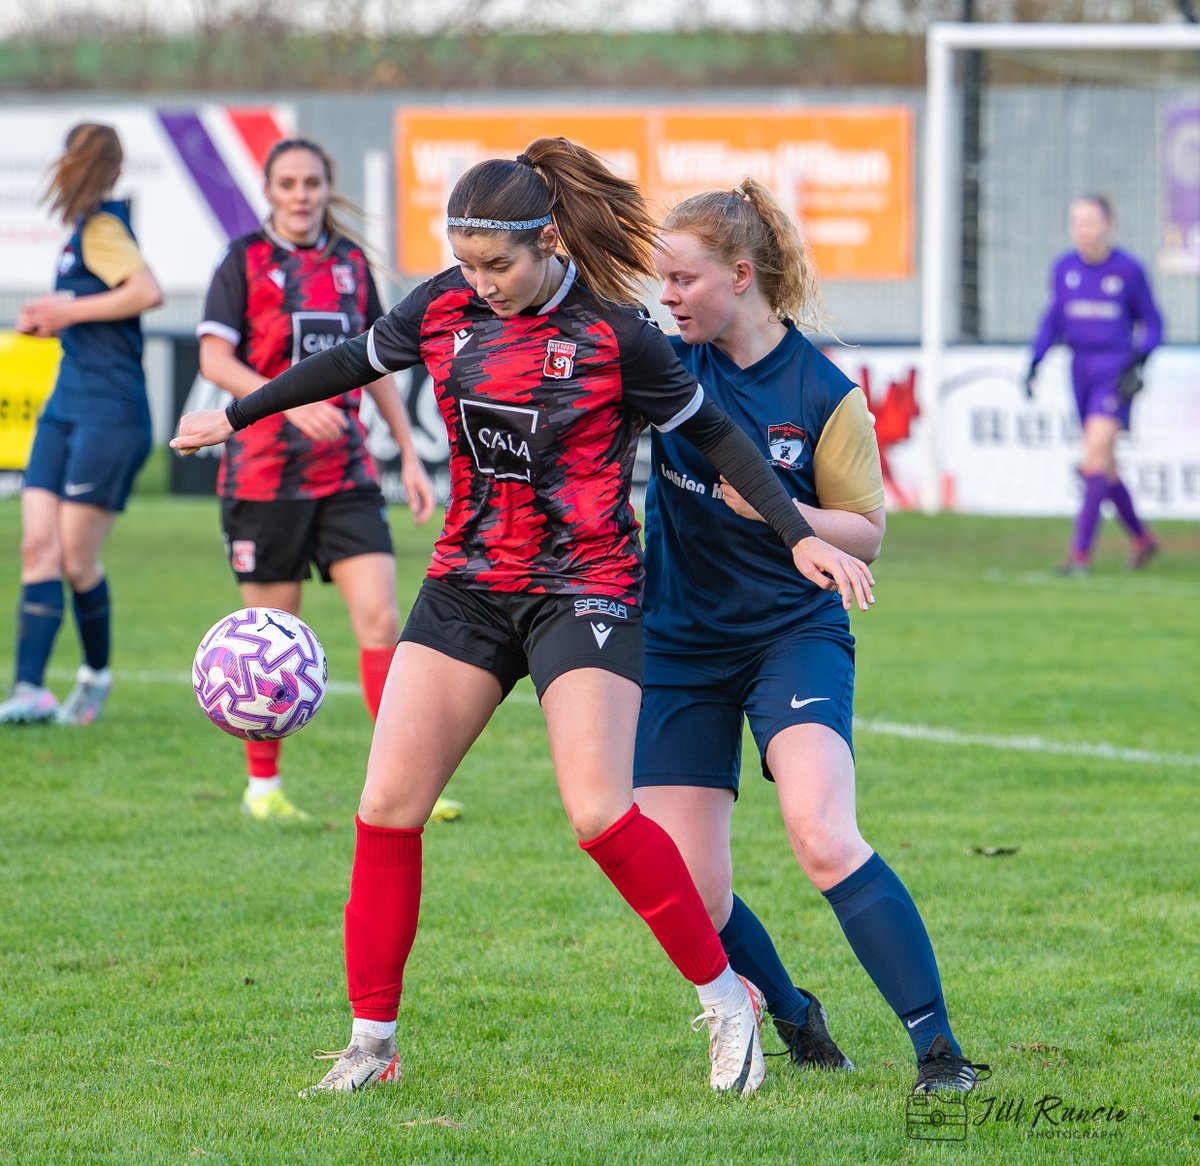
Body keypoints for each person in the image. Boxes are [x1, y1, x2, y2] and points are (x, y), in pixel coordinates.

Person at [172, 137, 875, 1097]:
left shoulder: (618, 334)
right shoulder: (442, 307)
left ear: (547, 242)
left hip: (583, 586)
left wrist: (797, 532)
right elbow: (350, 358)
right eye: (465, 263)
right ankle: (372, 1047)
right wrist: (245, 409)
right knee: (385, 806)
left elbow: (716, 436)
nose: (479, 282)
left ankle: (725, 1005)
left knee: (597, 813)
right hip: (467, 583)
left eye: (495, 264)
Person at [634, 179, 988, 1095]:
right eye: (659, 281)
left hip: (792, 634)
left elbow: (867, 531)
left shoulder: (823, 392)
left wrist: (780, 510)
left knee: (823, 834)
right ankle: (793, 1015)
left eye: (681, 279)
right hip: (674, 643)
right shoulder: (666, 366)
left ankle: (940, 1056)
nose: (665, 298)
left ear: (740, 276)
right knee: (690, 888)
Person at [196, 136, 443, 823]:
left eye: (311, 182)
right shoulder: (243, 261)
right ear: (270, 192)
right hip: (263, 477)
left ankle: (405, 781)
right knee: (268, 638)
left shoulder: (350, 266)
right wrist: (288, 400)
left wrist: (410, 453)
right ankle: (264, 788)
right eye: (288, 183)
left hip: (346, 475)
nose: (301, 194)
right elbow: (215, 358)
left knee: (382, 619)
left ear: (326, 188)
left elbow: (375, 363)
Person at [0, 123, 163, 727]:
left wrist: (66, 309)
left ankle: (94, 679)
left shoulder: (102, 226)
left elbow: (146, 291)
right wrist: (55, 318)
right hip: (66, 404)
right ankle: (30, 689)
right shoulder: (81, 232)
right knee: (36, 545)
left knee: (74, 558)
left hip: (110, 411)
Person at [1025, 194, 1164, 574]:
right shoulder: (1063, 268)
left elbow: (1153, 322)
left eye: (1090, 221)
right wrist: (1035, 360)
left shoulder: (1128, 270)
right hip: (1079, 370)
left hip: (1114, 373)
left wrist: (1141, 359)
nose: (1083, 230)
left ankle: (1079, 556)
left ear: (1109, 225)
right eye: (1077, 222)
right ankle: (1142, 539)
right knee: (1105, 467)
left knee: (1092, 459)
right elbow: (1052, 320)